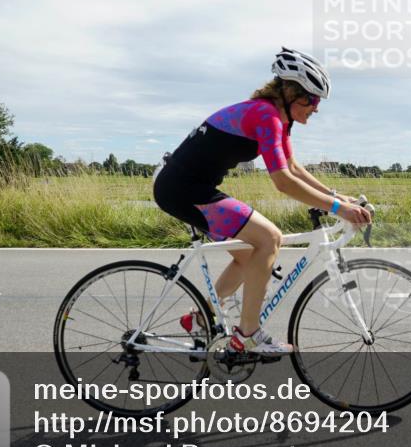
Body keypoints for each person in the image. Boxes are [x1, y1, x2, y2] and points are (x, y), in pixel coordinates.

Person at [153, 47, 372, 355]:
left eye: (317, 101)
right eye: (311, 99)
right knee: (269, 239)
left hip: (189, 186)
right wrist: (339, 209)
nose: (315, 108)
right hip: (182, 189)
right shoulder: (265, 116)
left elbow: (293, 168)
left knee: (250, 257)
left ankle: (201, 318)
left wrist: (336, 197)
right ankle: (249, 335)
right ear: (290, 91)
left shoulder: (275, 117)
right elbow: (283, 181)